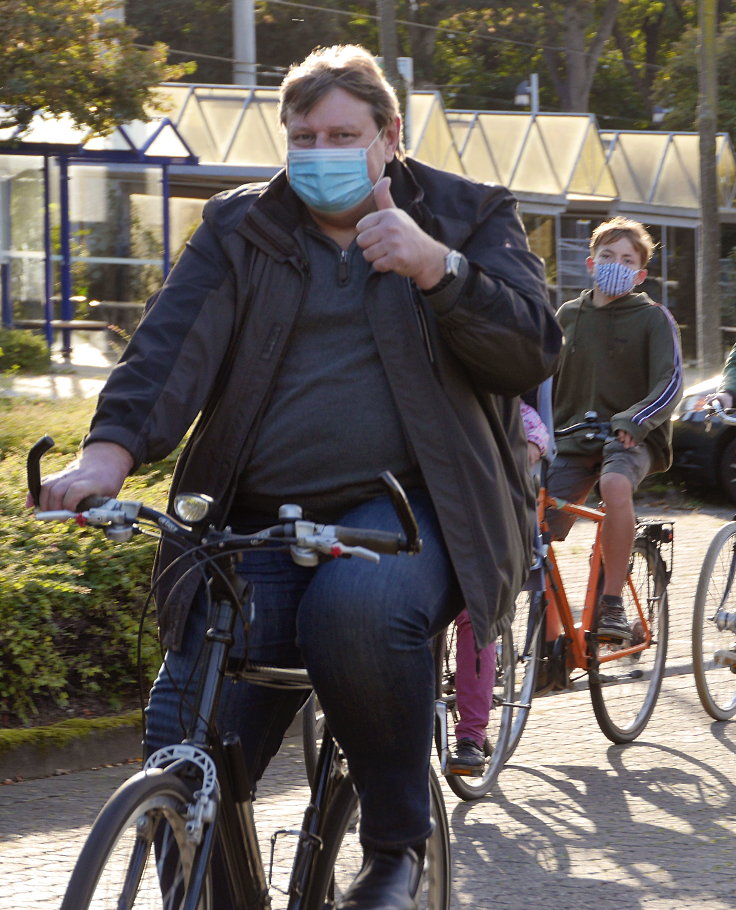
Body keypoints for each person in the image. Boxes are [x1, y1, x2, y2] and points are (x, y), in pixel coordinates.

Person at [32, 45, 561, 910]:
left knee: (356, 612)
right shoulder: (241, 227)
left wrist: (440, 270)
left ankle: (397, 846)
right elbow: (167, 352)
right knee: (184, 738)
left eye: (342, 133)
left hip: (409, 514)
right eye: (303, 134)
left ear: (389, 135)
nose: (320, 150)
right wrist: (108, 454)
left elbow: (534, 348)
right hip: (253, 519)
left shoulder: (467, 214)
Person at [547, 216, 682, 641]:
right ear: (591, 263)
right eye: (607, 256)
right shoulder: (567, 315)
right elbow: (539, 378)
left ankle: (612, 604)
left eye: (627, 259)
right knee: (532, 524)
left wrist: (636, 419)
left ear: (640, 274)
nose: (615, 264)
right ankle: (549, 639)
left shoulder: (653, 318)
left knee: (615, 487)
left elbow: (671, 382)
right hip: (571, 437)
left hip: (631, 436)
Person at [449, 400, 550, 772]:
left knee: (475, 614)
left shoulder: (521, 418)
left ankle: (471, 736)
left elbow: (527, 458)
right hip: (439, 532)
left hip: (490, 535)